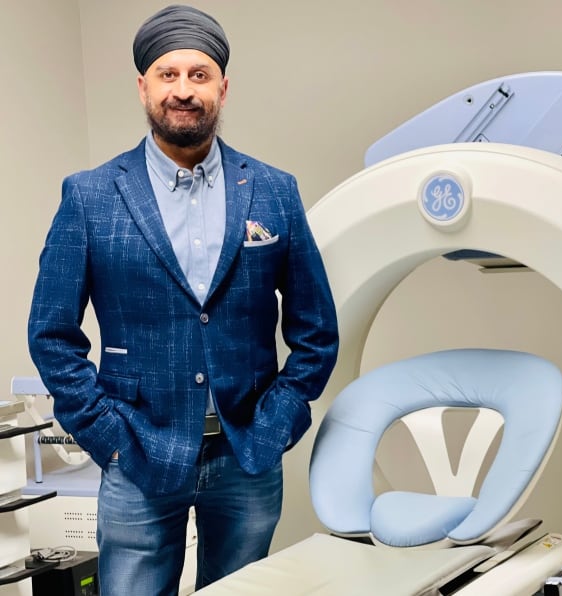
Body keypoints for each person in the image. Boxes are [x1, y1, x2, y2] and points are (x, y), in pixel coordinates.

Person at [27, 5, 339, 594]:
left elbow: (316, 330)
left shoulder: (274, 191)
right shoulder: (91, 196)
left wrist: (277, 426)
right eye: (168, 75)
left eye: (199, 75)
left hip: (246, 456)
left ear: (224, 87)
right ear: (143, 85)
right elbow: (51, 333)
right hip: (138, 453)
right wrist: (106, 435)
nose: (184, 91)